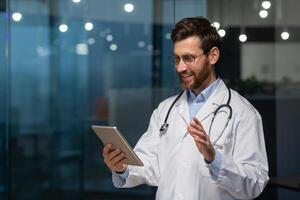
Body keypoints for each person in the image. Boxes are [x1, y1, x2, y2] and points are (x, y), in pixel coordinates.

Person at [102, 16, 269, 199]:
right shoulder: (165, 109)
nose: (180, 67)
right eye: (177, 59)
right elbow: (150, 165)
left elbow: (256, 182)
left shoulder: (243, 112)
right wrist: (122, 168)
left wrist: (214, 159)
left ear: (213, 56)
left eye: (189, 58)